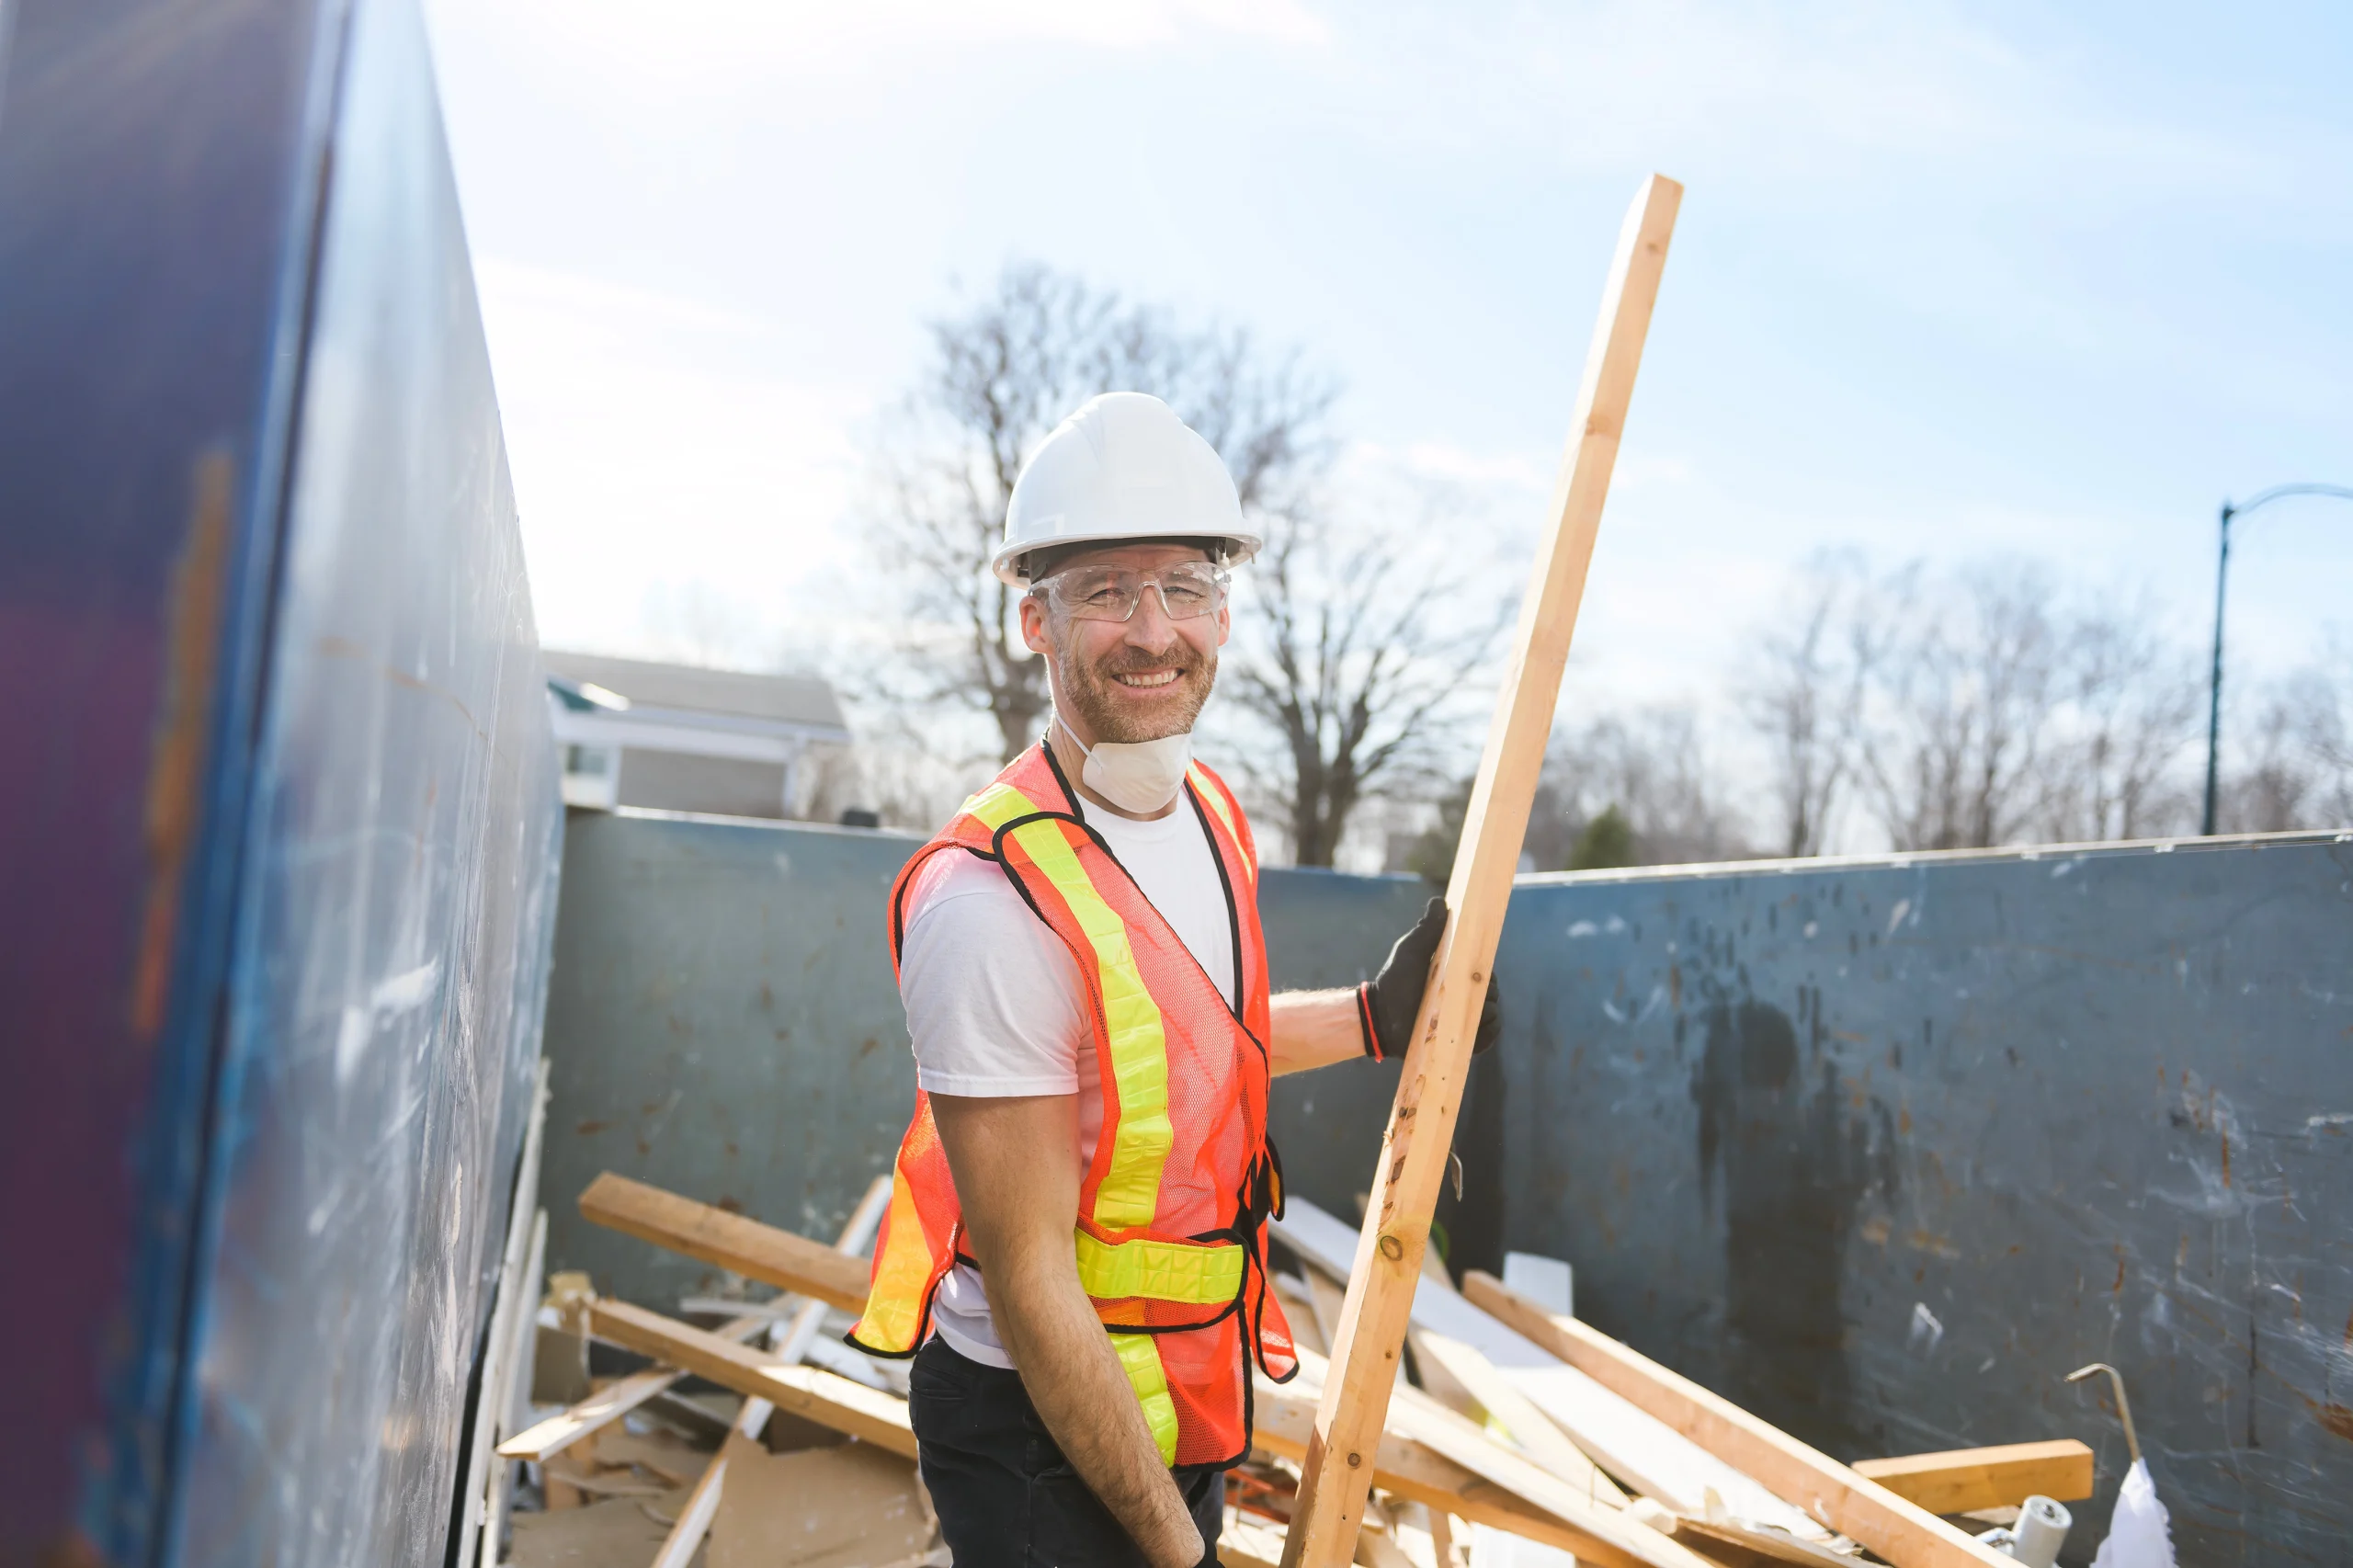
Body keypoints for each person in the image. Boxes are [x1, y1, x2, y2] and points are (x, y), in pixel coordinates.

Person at [848, 393, 1498, 1568]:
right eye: (1105, 590)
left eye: (1184, 586)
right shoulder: (989, 901)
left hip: (1183, 1379)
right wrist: (1179, 1549)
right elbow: (1038, 1285)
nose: (1153, 630)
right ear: (1034, 619)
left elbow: (1198, 1047)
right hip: (1035, 1429)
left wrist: (1369, 1019)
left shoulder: (1208, 814)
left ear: (1226, 609)